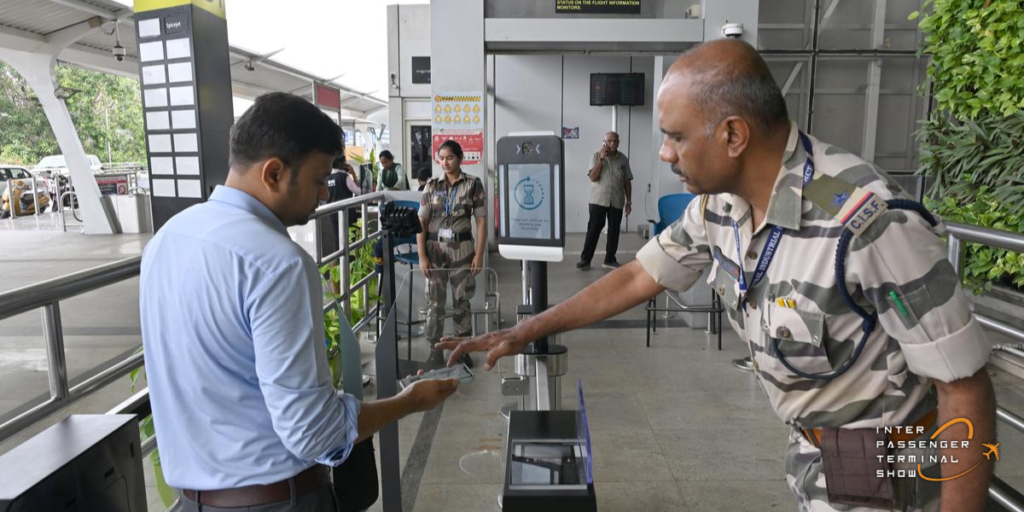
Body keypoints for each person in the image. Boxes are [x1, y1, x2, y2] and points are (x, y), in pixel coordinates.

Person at [440, 40, 995, 512]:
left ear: (733, 135)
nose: (663, 153)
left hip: (891, 471)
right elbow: (639, 275)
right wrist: (528, 329)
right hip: (818, 457)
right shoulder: (719, 209)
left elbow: (964, 389)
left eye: (676, 136)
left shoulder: (869, 224)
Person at [140, 92, 458, 512]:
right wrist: (411, 400)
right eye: (318, 180)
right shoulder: (277, 263)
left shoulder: (167, 240)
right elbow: (315, 434)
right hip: (275, 500)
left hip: (193, 501)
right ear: (273, 172)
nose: (324, 197)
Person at [418, 140, 487, 367]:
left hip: (463, 250)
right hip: (434, 251)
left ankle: (462, 351)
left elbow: (481, 221)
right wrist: (422, 256)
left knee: (462, 301)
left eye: (449, 158)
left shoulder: (473, 185)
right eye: (442, 158)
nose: (445, 162)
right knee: (434, 303)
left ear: (460, 158)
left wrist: (479, 254)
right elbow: (422, 222)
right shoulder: (431, 186)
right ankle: (434, 350)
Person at [577, 131, 633, 270]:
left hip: (617, 200)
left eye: (615, 141)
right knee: (594, 230)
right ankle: (585, 260)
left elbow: (627, 182)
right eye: (609, 141)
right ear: (604, 142)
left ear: (618, 142)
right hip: (598, 200)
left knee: (614, 231)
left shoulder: (623, 159)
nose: (612, 143)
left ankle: (609, 259)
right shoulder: (596, 156)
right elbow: (593, 177)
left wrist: (629, 201)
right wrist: (601, 159)